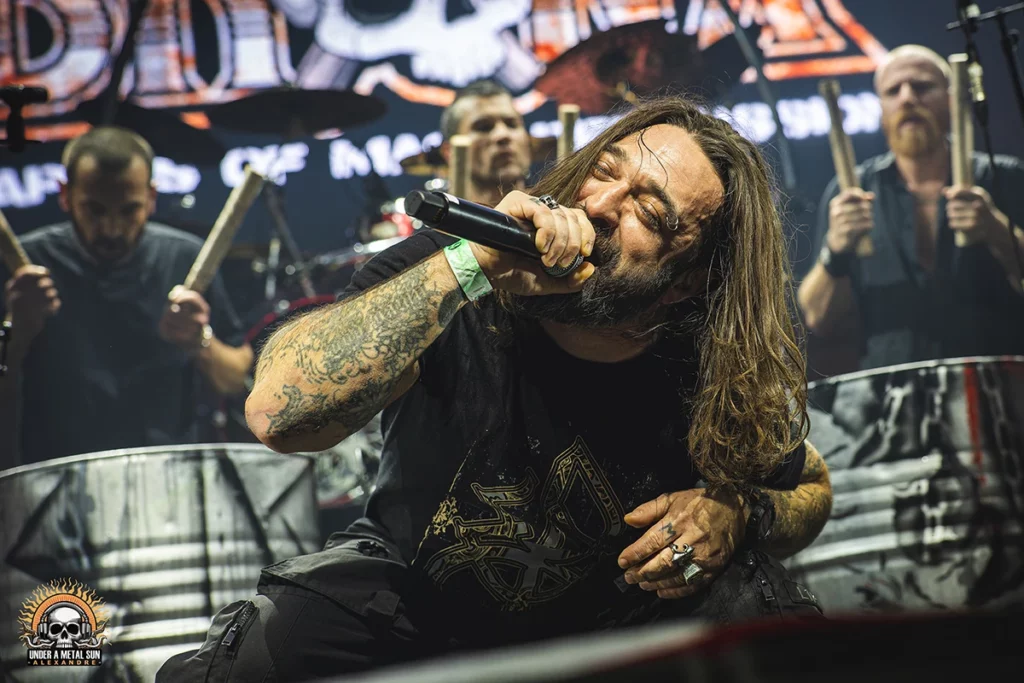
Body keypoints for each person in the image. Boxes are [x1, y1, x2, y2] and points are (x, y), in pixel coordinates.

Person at [158, 96, 832, 682]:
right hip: (412, 615)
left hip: (616, 638)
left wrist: (738, 509)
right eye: (603, 173)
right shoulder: (451, 271)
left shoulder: (704, 358)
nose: (598, 206)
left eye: (648, 215)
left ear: (686, 280)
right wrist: (472, 263)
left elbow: (809, 485)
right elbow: (278, 411)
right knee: (266, 647)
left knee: (758, 602)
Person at [0, 126, 254, 469]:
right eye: (95, 210)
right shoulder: (24, 267)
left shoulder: (184, 257)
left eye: (128, 210)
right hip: (56, 475)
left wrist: (199, 341)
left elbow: (235, 378)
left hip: (168, 473)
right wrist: (18, 332)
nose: (112, 229)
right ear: (64, 195)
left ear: (151, 197)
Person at [798, 44, 1024, 372]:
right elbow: (817, 319)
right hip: (890, 403)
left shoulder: (1004, 176)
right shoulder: (851, 191)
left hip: (997, 391)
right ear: (880, 109)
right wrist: (836, 251)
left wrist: (997, 231)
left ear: (951, 97)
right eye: (893, 91)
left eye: (921, 87)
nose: (907, 98)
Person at [439, 79, 533, 206]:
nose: (502, 135)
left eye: (511, 124)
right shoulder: (435, 224)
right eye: (484, 127)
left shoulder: (557, 217)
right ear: (450, 152)